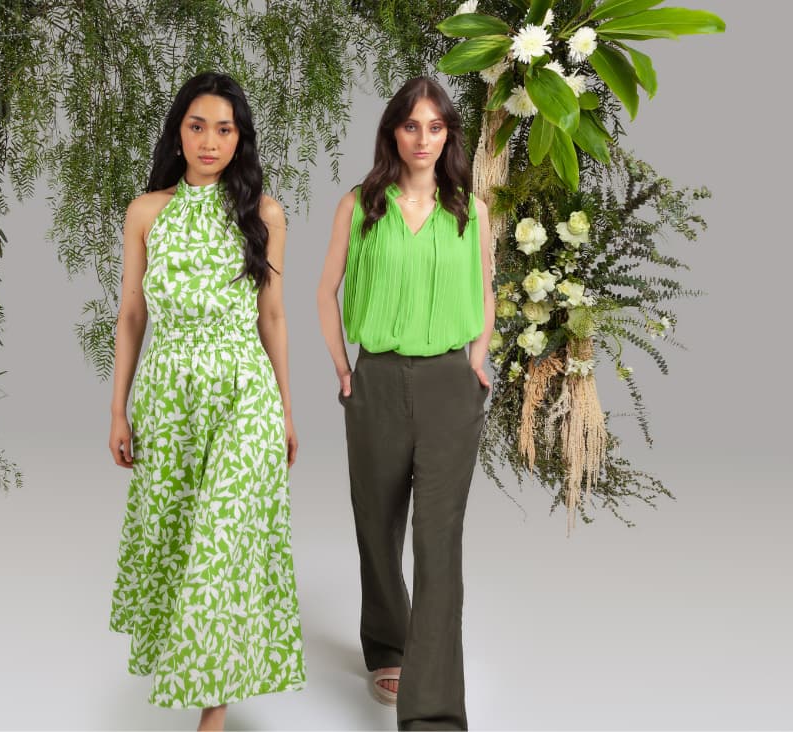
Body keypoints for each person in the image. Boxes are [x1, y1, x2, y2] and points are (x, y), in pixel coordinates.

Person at [107, 72, 305, 731]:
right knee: (182, 538)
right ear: (178, 132)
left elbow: (272, 317)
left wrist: (285, 408)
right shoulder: (147, 211)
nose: (210, 140)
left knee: (221, 537)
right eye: (197, 126)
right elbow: (132, 313)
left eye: (225, 128)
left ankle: (211, 714)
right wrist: (118, 409)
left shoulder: (264, 214)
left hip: (243, 392)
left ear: (240, 137)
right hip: (169, 396)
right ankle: (200, 671)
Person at [315, 75, 495, 730]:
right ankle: (388, 642)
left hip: (451, 384)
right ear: (394, 131)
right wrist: (343, 367)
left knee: (439, 543)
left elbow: (486, 292)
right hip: (378, 379)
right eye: (411, 125)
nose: (423, 139)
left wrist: (476, 361)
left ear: (449, 135)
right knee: (379, 520)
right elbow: (325, 290)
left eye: (435, 127)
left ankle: (435, 715)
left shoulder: (469, 211)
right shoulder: (360, 205)